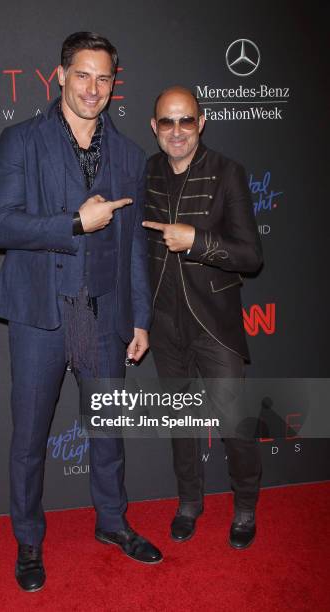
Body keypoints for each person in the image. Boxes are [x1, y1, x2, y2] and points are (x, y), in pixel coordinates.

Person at [0, 31, 162, 593]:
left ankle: (112, 523)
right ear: (59, 75)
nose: (93, 88)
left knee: (107, 432)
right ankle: (29, 541)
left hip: (98, 315)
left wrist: (139, 319)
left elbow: (135, 244)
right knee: (30, 437)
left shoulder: (130, 155)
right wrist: (73, 222)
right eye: (82, 75)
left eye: (104, 78)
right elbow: (1, 226)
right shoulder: (20, 141)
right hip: (41, 311)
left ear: (115, 84)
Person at [143, 86, 263, 550]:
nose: (177, 131)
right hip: (164, 323)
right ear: (154, 127)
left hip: (215, 322)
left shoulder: (228, 173)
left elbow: (251, 256)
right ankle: (189, 503)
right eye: (167, 122)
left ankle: (246, 506)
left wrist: (196, 240)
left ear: (202, 122)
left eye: (186, 121)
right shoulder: (147, 172)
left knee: (234, 423)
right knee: (180, 422)